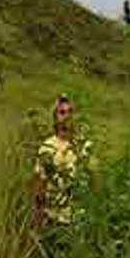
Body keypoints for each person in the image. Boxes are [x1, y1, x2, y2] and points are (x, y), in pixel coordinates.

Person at [34, 94, 86, 225]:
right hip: (55, 218)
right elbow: (41, 185)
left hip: (78, 218)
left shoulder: (82, 146)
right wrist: (38, 216)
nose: (67, 116)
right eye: (62, 112)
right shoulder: (47, 147)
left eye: (70, 112)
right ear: (55, 117)